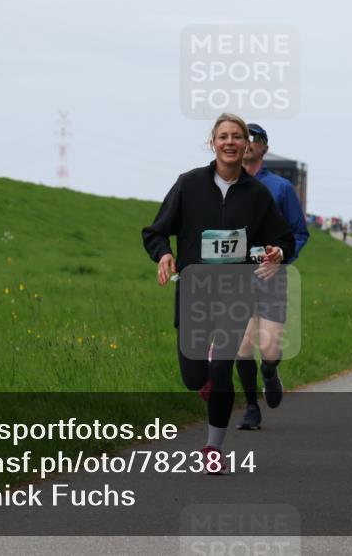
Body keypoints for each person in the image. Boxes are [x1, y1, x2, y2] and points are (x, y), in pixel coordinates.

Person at [142, 113, 295, 472]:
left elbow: (283, 237)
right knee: (195, 378)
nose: (230, 142)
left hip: (236, 294)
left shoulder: (257, 194)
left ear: (246, 145)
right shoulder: (189, 184)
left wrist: (277, 252)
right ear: (212, 142)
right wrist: (163, 254)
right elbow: (155, 231)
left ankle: (213, 447)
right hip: (195, 294)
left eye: (236, 137)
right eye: (223, 136)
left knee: (224, 369)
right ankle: (207, 378)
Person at [235, 123, 309, 431]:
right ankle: (252, 408)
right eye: (243, 137)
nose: (248, 143)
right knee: (242, 343)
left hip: (271, 276)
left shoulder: (281, 188)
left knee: (269, 348)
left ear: (265, 147)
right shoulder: (226, 186)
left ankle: (269, 371)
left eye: (254, 139)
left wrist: (280, 258)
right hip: (236, 278)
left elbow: (299, 233)